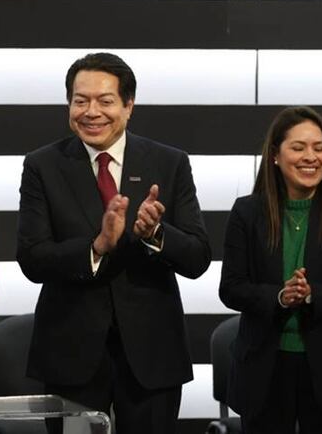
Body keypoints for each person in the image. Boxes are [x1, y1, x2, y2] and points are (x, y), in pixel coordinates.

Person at [16, 52, 210, 433]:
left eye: (105, 101)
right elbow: (32, 258)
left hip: (153, 354)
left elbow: (198, 256)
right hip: (70, 351)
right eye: (80, 100)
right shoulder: (42, 166)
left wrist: (156, 234)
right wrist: (97, 246)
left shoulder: (169, 163)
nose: (91, 112)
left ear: (128, 105)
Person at [219, 106, 322, 432]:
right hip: (264, 365)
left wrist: (310, 295)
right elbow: (231, 288)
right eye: (299, 147)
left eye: (319, 148)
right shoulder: (247, 212)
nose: (311, 157)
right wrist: (279, 296)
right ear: (275, 155)